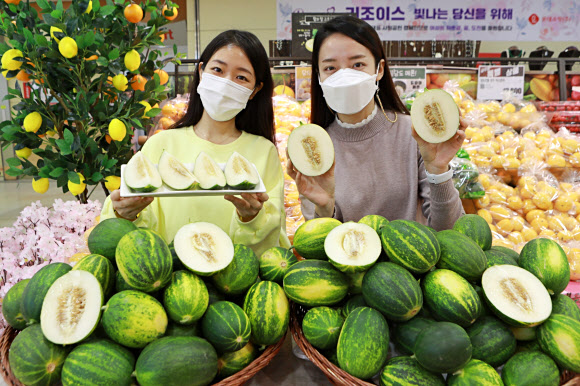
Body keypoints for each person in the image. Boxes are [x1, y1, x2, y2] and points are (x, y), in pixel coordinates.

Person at [101, 30, 290, 256]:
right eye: (218, 70)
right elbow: (132, 235)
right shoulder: (160, 144)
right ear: (201, 72)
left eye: (241, 77)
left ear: (254, 90)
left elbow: (272, 245)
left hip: (234, 287)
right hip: (169, 280)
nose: (225, 83)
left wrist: (252, 219)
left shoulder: (264, 152)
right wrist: (124, 213)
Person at [287, 16, 464, 230]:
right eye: (330, 68)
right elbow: (317, 247)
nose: (344, 76)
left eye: (358, 64)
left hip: (408, 261)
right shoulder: (313, 148)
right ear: (319, 77)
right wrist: (325, 208)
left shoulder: (415, 133)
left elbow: (451, 232)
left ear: (379, 69)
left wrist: (438, 170)